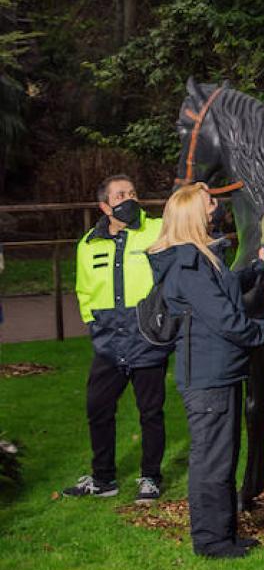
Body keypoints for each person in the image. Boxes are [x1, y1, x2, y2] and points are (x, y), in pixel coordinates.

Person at [147, 183, 264, 558]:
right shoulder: (188, 265)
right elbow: (226, 319)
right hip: (207, 377)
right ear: (193, 215)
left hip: (220, 372)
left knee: (222, 456)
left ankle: (225, 533)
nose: (218, 207)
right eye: (210, 203)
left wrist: (258, 267)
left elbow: (227, 288)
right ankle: (212, 541)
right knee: (212, 459)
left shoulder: (201, 258)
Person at [61, 176, 173, 502]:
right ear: (104, 206)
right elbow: (84, 290)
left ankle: (150, 477)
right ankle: (103, 479)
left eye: (133, 193)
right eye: (121, 195)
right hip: (108, 343)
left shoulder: (157, 231)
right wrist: (91, 322)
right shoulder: (88, 244)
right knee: (98, 409)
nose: (129, 198)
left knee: (150, 412)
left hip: (147, 337)